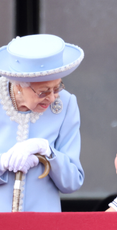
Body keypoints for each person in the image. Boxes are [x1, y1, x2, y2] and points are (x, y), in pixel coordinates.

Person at [0, 34, 84, 212]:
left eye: (58, 87)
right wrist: (4, 163)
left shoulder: (66, 105)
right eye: (43, 92)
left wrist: (48, 152)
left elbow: (72, 182)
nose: (53, 98)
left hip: (43, 226)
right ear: (19, 85)